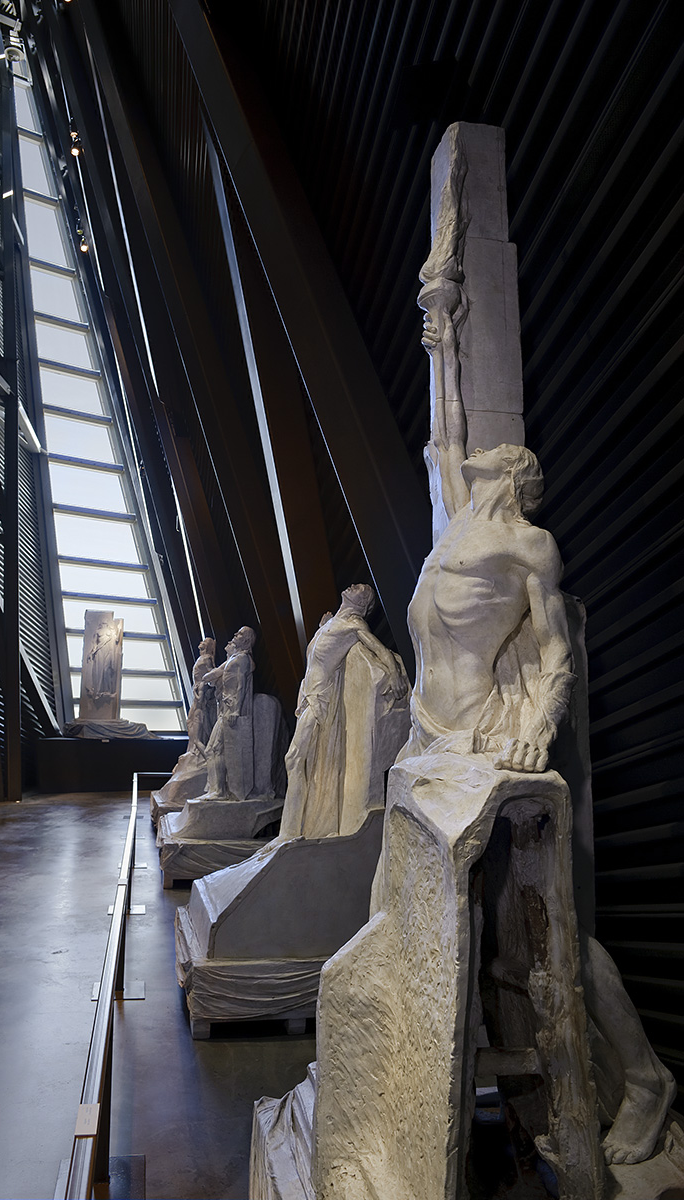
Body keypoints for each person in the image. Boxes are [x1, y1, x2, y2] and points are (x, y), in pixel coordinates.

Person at [412, 301, 675, 1166]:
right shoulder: (456, 516)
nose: (478, 449)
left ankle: (644, 1077)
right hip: (431, 737)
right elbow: (444, 427)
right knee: (461, 924)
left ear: (516, 474)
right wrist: (444, 339)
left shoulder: (530, 547)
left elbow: (556, 652)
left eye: (498, 453)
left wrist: (537, 732)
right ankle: (423, 1100)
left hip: (489, 742)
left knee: (553, 926)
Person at [280, 587, 408, 839]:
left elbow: (380, 650)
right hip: (306, 697)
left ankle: (289, 832)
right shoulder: (332, 623)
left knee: (294, 758)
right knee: (299, 761)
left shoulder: (354, 624)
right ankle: (294, 828)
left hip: (319, 700)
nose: (353, 587)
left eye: (361, 589)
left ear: (362, 604)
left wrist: (394, 674)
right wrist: (323, 625)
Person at [201, 626, 256, 801]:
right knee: (213, 749)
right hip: (224, 709)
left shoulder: (243, 659)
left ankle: (218, 791)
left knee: (215, 749)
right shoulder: (234, 658)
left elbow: (241, 686)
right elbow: (211, 675)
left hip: (231, 710)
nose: (234, 635)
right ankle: (216, 789)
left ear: (246, 640)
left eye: (238, 634)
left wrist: (236, 710)